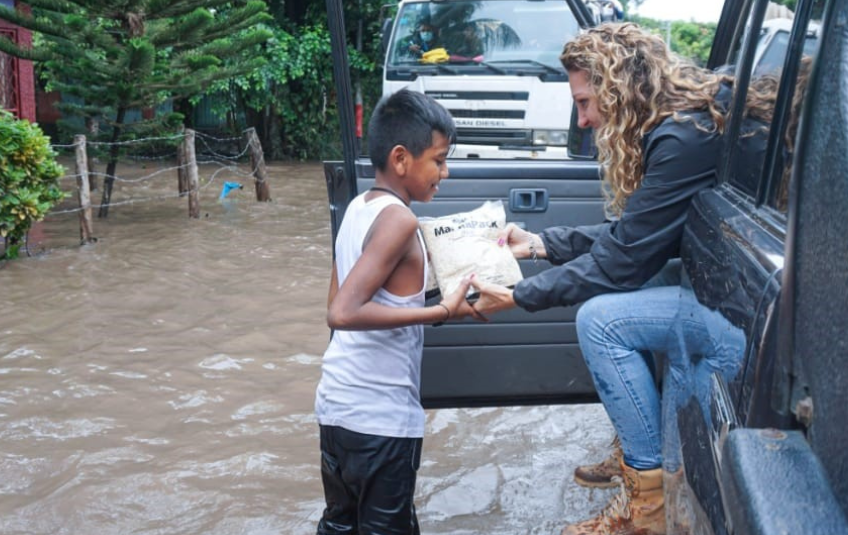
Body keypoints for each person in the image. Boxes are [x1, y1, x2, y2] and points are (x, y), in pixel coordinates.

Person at [468, 23, 757, 535]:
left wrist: (517, 295)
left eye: (585, 102)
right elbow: (636, 237)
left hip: (747, 315)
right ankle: (635, 451)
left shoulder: (682, 138)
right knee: (634, 286)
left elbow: (622, 259)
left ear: (619, 87)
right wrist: (539, 244)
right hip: (735, 289)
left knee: (600, 320)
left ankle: (647, 509)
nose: (583, 120)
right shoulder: (677, 126)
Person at [314, 88, 481, 535]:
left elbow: (337, 300)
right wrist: (441, 311)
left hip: (336, 405)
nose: (445, 172)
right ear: (401, 159)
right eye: (439, 160)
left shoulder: (357, 208)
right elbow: (343, 313)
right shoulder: (401, 220)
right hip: (379, 416)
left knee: (341, 523)